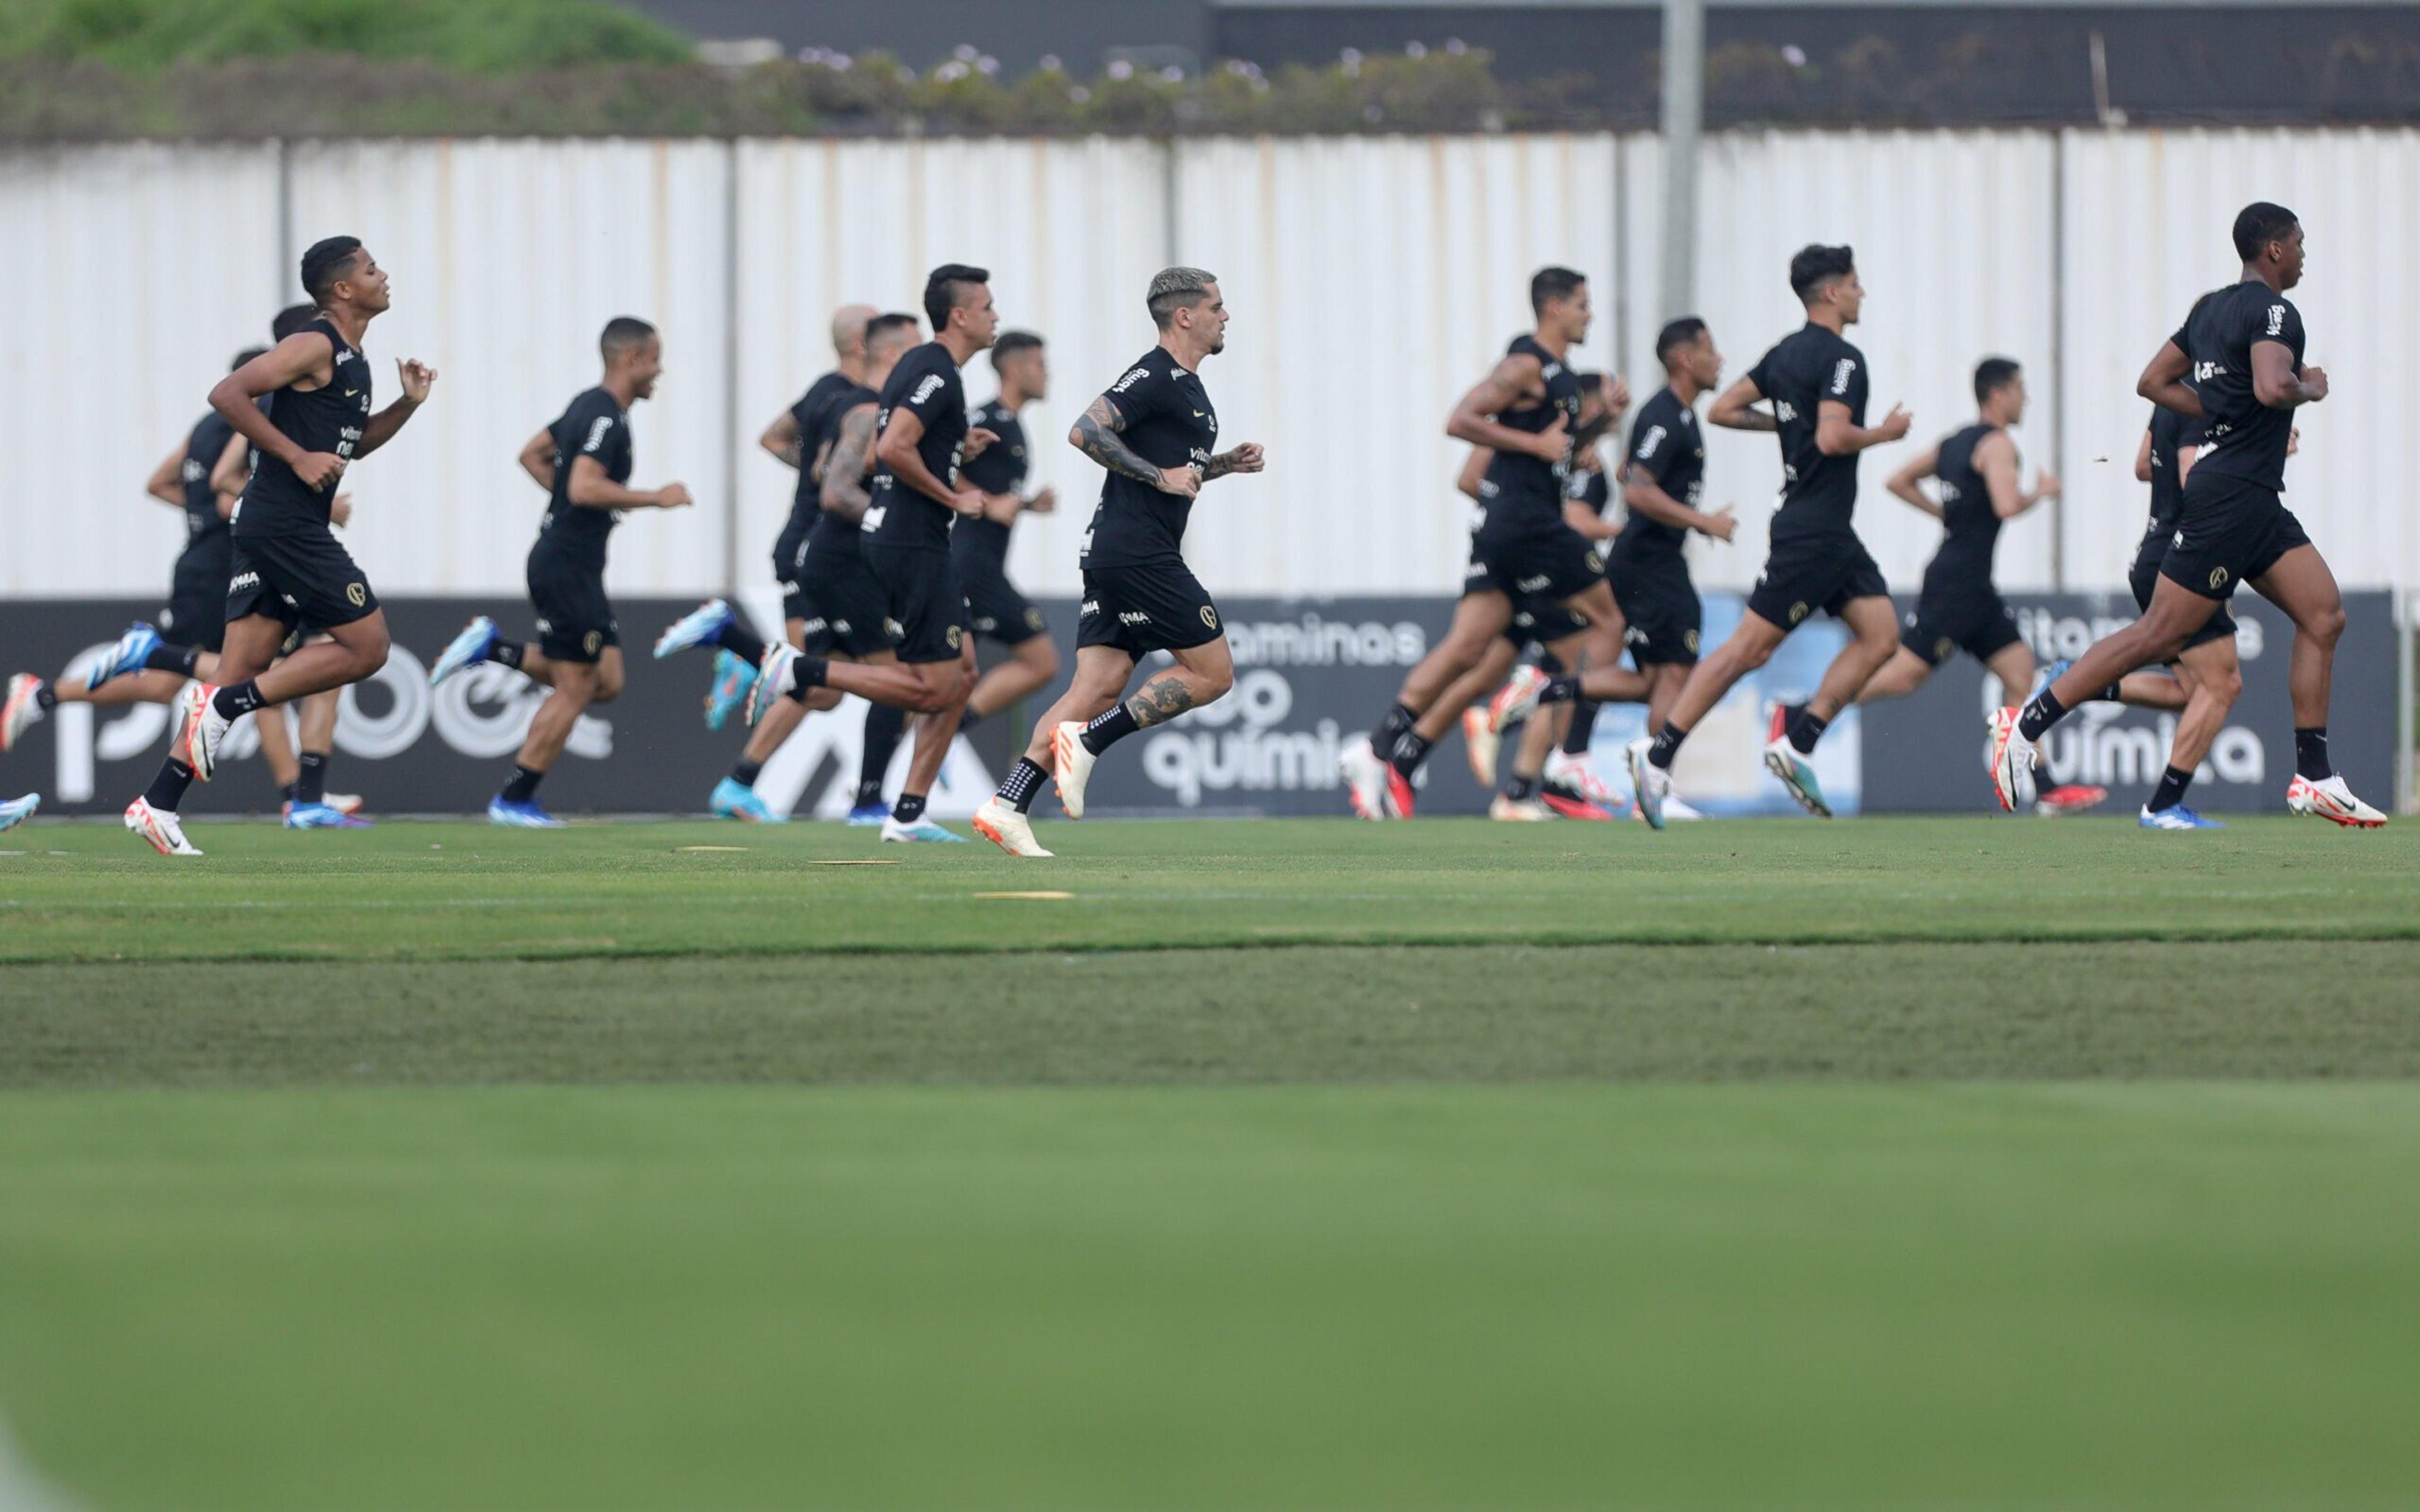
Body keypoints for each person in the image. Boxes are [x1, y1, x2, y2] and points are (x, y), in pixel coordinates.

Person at [1990, 202, 2385, 828]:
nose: (2305, 254)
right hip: (2233, 497)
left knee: (2324, 614)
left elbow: (2152, 382)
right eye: (2300, 243)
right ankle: (2025, 724)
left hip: (2252, 496)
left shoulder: (2210, 309)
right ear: (2275, 250)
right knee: (2159, 637)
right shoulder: (2276, 311)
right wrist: (2309, 385)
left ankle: (2313, 774)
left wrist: (2215, 408)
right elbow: (2272, 388)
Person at [124, 236, 437, 857]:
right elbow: (226, 393)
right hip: (284, 526)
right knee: (368, 646)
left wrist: (408, 403)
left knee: (235, 673)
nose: (384, 275)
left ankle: (156, 803)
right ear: (344, 289)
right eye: (372, 269)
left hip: (276, 525)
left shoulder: (353, 357)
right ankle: (227, 706)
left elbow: (350, 445)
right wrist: (295, 454)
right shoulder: (314, 343)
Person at [971, 266, 1265, 857]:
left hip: (1114, 550)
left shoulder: (1187, 386)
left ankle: (1007, 804)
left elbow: (1171, 467)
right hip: (1139, 554)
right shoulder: (1153, 374)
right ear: (1184, 316)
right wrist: (1160, 475)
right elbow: (1086, 432)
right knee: (1214, 674)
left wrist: (1222, 464)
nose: (1225, 316)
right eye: (1217, 306)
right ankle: (1092, 743)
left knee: (1099, 684)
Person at [1628, 244, 1912, 828]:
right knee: (1746, 651)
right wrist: (1882, 433)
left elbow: (1725, 409)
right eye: (1856, 285)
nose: (1862, 294)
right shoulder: (1844, 359)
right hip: (1812, 532)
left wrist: (1788, 424)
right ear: (1832, 293)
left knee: (1881, 634)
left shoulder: (1784, 355)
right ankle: (1655, 758)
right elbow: (1833, 439)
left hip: (1830, 531)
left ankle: (1798, 737)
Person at [1339, 267, 1634, 821]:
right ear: (1553, 307)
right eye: (1582, 305)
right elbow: (1461, 420)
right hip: (1529, 525)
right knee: (1610, 624)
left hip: (1512, 526)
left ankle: (1378, 749)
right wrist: (1535, 442)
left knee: (1468, 649)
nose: (1589, 315)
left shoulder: (1562, 376)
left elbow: (1554, 450)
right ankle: (1568, 757)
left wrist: (1598, 426)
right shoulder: (1525, 364)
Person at [747, 272, 1001, 844]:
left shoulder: (925, 369)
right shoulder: (934, 367)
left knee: (961, 675)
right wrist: (954, 495)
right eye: (987, 307)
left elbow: (877, 452)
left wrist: (957, 444)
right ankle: (799, 669)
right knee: (935, 686)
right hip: (910, 541)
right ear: (959, 316)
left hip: (909, 537)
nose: (995, 316)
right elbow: (889, 449)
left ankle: (909, 810)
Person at [652, 312, 921, 823]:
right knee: (879, 679)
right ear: (867, 344)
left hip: (805, 542)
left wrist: (825, 469)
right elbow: (829, 473)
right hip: (825, 547)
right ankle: (744, 651)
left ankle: (740, 768)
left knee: (819, 690)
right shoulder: (859, 400)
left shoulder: (824, 392)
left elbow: (776, 440)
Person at [427, 318, 689, 826]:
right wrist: (655, 499)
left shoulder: (587, 407)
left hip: (573, 564)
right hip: (566, 565)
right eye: (655, 359)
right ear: (631, 358)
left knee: (606, 680)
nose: (659, 370)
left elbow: (533, 455)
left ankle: (493, 649)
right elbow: (584, 488)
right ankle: (515, 798)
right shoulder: (604, 417)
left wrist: (571, 499)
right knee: (576, 686)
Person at [952, 329, 1063, 734]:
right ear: (1015, 369)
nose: (1047, 374)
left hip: (984, 565)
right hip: (972, 568)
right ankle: (946, 728)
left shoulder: (1013, 425)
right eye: (1040, 365)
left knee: (944, 680)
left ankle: (940, 731)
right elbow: (933, 465)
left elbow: (998, 499)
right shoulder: (987, 419)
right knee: (1043, 661)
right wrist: (984, 499)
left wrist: (1029, 505)